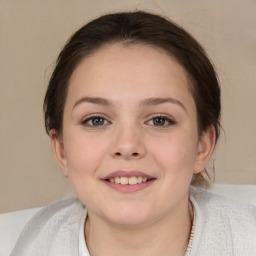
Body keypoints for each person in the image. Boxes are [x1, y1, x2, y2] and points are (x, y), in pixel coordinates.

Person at [11, 11, 256, 256]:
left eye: (159, 120)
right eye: (96, 120)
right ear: (61, 150)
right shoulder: (32, 244)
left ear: (202, 146)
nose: (127, 145)